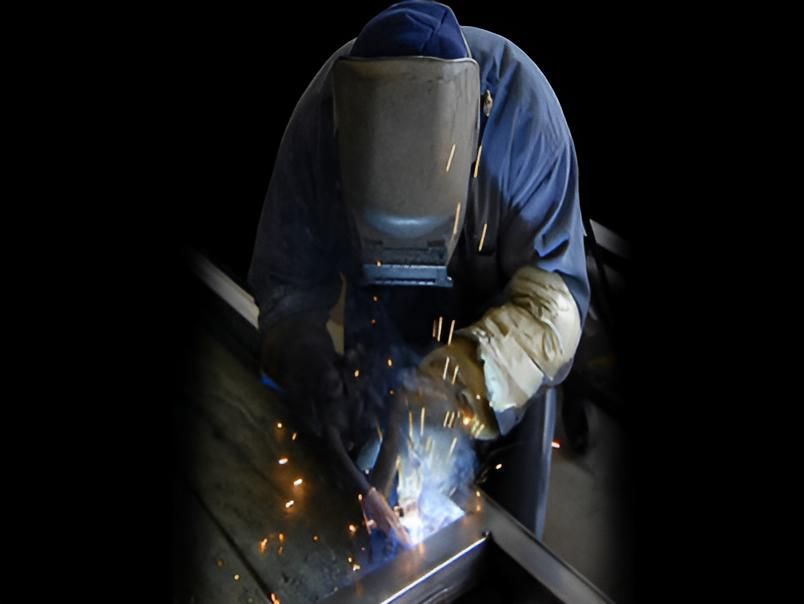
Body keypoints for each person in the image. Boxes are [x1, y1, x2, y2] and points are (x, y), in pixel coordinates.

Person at [248, 0, 589, 541]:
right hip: (377, 334)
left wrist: (449, 391)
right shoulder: (320, 119)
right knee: (360, 519)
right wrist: (310, 369)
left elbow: (556, 305)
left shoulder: (524, 122)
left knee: (503, 553)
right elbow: (286, 286)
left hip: (503, 370)